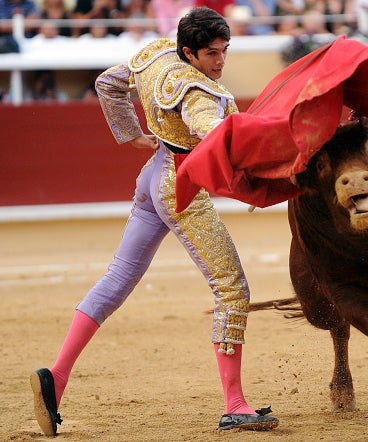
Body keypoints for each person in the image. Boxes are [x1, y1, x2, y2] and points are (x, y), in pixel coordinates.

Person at [29, 6, 279, 437]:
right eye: (211, 53)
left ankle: (57, 377)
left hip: (152, 174)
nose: (220, 61)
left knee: (118, 277)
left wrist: (133, 135)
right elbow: (215, 134)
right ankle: (235, 405)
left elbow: (108, 83)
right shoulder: (200, 94)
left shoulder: (157, 54)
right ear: (190, 51)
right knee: (233, 291)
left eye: (224, 51)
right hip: (180, 188)